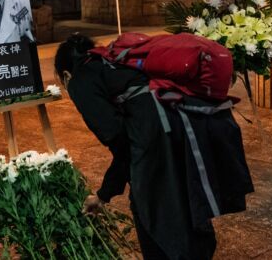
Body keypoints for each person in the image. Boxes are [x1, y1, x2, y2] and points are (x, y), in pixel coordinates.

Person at [54, 34, 254, 260]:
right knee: (185, 196)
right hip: (179, 119)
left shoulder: (80, 80)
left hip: (155, 132)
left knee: (153, 212)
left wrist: (103, 194)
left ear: (66, 74)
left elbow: (119, 141)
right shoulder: (109, 60)